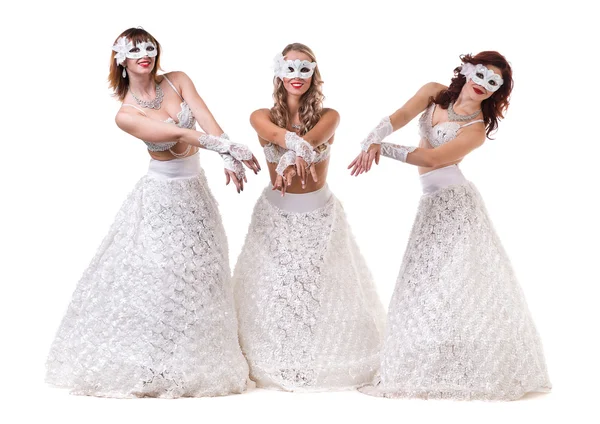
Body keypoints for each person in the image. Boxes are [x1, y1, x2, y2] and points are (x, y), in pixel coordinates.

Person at [45, 27, 259, 398]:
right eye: (135, 49)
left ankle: (196, 359)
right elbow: (178, 135)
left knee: (203, 271)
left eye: (149, 47)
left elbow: (207, 120)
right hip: (162, 197)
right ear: (121, 59)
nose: (144, 53)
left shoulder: (177, 81)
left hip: (196, 192)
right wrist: (228, 148)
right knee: (161, 274)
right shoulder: (125, 114)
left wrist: (227, 151)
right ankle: (153, 364)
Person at [349, 51, 551, 400]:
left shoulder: (476, 128)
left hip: (456, 205)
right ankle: (434, 357)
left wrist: (384, 149)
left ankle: (466, 363)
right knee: (424, 279)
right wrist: (371, 138)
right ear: (467, 70)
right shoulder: (433, 92)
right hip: (431, 203)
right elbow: (398, 116)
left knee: (457, 282)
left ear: (498, 91)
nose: (482, 84)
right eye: (480, 74)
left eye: (493, 82)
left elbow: (434, 157)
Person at [232, 43, 386, 392]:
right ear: (278, 73)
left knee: (322, 288)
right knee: (273, 289)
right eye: (290, 68)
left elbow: (314, 140)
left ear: (314, 74)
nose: (297, 76)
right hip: (275, 214)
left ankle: (318, 359)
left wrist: (297, 152)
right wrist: (291, 151)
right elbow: (276, 135)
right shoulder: (261, 116)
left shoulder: (330, 115)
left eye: (305, 69)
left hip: (319, 212)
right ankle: (273, 359)